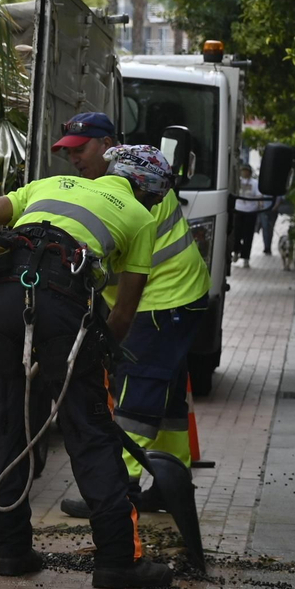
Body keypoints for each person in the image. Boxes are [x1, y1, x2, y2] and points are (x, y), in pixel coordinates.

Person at [0, 144, 175, 589]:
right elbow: (123, 314)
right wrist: (96, 358)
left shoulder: (51, 183)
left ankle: (11, 552)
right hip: (62, 306)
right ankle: (117, 561)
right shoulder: (141, 217)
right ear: (148, 192)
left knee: (2, 425)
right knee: (91, 434)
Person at [53, 112, 211, 514]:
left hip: (160, 302)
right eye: (69, 152)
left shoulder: (139, 184)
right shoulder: (127, 178)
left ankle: (117, 491)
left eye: (81, 149)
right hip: (179, 298)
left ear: (108, 147)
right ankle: (172, 486)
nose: (74, 159)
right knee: (168, 401)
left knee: (135, 396)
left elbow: (100, 257)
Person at [233, 163, 263, 266]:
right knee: (236, 233)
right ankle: (236, 251)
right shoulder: (237, 182)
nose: (244, 173)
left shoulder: (255, 183)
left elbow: (259, 195)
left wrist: (260, 204)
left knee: (248, 235)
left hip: (250, 211)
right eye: (243, 171)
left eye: (246, 171)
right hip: (238, 210)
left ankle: (246, 257)